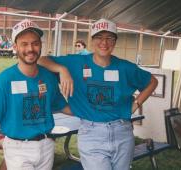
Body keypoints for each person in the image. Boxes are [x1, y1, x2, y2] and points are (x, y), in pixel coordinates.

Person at [38, 18, 158, 170]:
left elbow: (152, 81)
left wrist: (136, 104)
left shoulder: (125, 67)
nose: (104, 42)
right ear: (92, 40)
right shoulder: (76, 62)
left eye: (109, 38)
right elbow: (41, 60)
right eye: (99, 37)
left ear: (115, 42)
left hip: (122, 132)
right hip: (91, 133)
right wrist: (62, 70)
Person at [0, 19, 72, 170]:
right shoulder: (4, 80)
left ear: (41, 45)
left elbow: (63, 106)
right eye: (24, 44)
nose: (31, 48)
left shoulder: (48, 77)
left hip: (46, 146)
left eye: (35, 43)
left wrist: (92, 110)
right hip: (18, 148)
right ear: (15, 47)